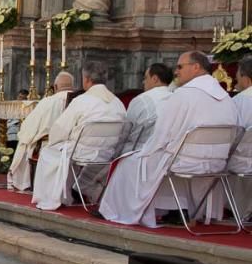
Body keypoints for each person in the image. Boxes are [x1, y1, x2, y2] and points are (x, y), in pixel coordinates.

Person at [100, 51, 240, 227]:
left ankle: (114, 210)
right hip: (216, 163)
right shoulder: (226, 97)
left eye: (180, 66)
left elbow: (162, 134)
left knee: (131, 161)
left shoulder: (184, 95)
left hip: (184, 162)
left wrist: (146, 152)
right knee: (165, 158)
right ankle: (177, 210)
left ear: (196, 67)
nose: (176, 72)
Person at [32, 62, 126, 211]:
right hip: (108, 153)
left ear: (87, 79)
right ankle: (76, 191)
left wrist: (54, 140)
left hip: (81, 152)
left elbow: (60, 129)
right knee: (64, 150)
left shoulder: (82, 101)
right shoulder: (117, 103)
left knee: (48, 152)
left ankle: (52, 197)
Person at [7, 72, 74, 191]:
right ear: (72, 86)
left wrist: (25, 135)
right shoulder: (80, 100)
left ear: (56, 87)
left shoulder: (48, 102)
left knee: (25, 141)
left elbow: (29, 128)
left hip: (50, 146)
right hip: (75, 146)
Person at [124, 62, 173, 147]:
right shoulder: (177, 99)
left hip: (138, 153)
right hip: (168, 154)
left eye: (145, 78)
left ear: (155, 79)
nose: (143, 82)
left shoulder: (141, 100)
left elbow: (125, 131)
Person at [229, 56, 252, 219]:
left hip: (240, 160)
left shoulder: (237, 102)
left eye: (237, 73)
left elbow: (229, 136)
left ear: (245, 78)